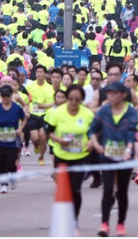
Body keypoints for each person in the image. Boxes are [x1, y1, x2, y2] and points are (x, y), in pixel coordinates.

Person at [89, 81, 138, 237]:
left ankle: (120, 224)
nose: (110, 96)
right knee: (108, 190)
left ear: (123, 95)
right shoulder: (104, 111)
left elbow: (132, 133)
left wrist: (129, 150)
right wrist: (96, 144)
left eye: (114, 93)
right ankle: (104, 224)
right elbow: (92, 129)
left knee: (122, 192)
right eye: (109, 93)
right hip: (107, 155)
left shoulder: (130, 112)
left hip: (125, 156)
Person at [45, 84, 95, 230]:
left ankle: (74, 220)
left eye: (77, 99)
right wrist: (58, 139)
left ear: (82, 100)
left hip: (81, 156)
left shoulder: (87, 114)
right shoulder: (58, 113)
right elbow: (49, 131)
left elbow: (94, 132)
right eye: (71, 99)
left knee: (75, 188)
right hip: (62, 156)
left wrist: (92, 142)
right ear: (67, 98)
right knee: (63, 189)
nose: (74, 102)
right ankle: (63, 218)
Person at [0, 84, 26, 192]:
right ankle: (4, 183)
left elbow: (24, 119)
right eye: (4, 96)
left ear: (11, 95)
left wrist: (20, 129)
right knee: (1, 162)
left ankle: (13, 174)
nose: (6, 98)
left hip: (12, 140)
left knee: (11, 161)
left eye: (8, 96)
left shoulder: (17, 108)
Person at [26, 64, 54, 165]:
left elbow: (51, 104)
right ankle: (36, 145)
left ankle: (41, 157)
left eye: (41, 72)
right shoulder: (30, 87)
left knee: (43, 137)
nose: (39, 74)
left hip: (44, 115)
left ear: (45, 74)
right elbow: (27, 101)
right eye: (37, 72)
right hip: (33, 115)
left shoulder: (50, 88)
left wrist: (43, 106)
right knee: (35, 138)